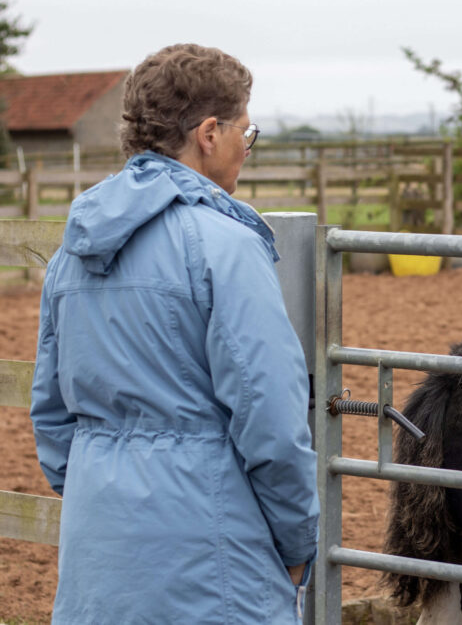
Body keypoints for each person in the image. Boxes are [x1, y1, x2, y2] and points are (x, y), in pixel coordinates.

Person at [30, 44, 319, 624]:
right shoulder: (226, 246)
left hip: (99, 553)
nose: (247, 146)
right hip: (212, 552)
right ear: (209, 133)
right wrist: (296, 542)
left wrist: (99, 486)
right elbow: (272, 419)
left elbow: (51, 413)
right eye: (246, 130)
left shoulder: (75, 249)